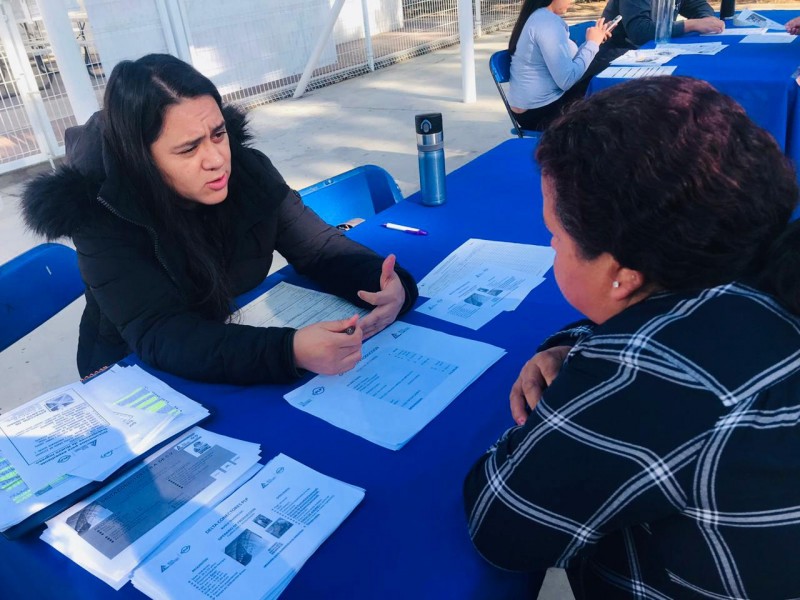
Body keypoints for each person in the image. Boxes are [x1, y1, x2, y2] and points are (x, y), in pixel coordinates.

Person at [464, 76, 800, 598]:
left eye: (555, 235)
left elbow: (504, 525)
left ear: (623, 276)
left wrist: (586, 377)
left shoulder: (663, 371)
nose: (551, 247)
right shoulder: (762, 269)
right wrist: (580, 344)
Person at [21, 54, 418, 385]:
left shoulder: (245, 170)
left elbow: (317, 246)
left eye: (218, 134)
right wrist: (288, 351)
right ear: (141, 158)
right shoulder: (101, 214)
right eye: (188, 149)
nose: (215, 159)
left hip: (222, 340)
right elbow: (160, 333)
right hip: (133, 373)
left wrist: (385, 284)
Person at [507, 0, 615, 131]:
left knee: (605, 65)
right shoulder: (547, 23)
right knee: (610, 85)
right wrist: (592, 44)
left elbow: (567, 65)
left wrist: (593, 42)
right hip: (541, 114)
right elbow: (567, 80)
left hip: (536, 109)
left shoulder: (538, 17)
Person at [601, 0, 724, 48]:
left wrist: (706, 18)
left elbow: (699, 6)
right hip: (618, 55)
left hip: (654, 52)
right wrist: (691, 25)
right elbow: (639, 32)